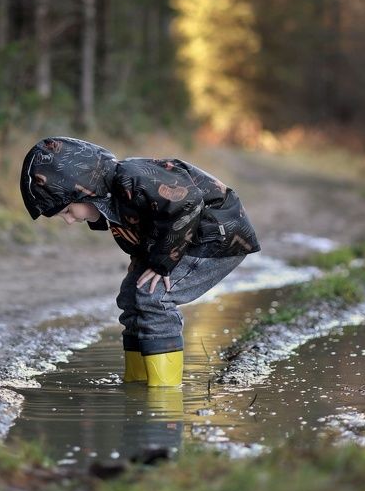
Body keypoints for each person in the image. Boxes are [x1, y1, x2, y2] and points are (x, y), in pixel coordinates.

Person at [20, 137, 260, 388]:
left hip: (216, 233)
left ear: (84, 190)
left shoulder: (132, 178)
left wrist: (162, 263)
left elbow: (187, 203)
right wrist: (143, 260)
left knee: (155, 297)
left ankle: (164, 391)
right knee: (130, 295)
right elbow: (147, 226)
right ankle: (137, 380)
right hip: (182, 240)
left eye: (68, 211)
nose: (69, 221)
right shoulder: (112, 200)